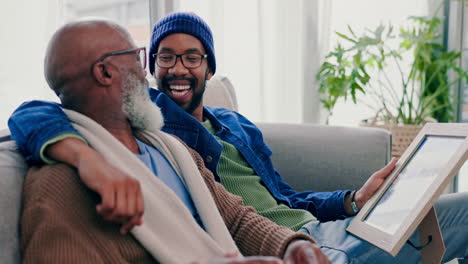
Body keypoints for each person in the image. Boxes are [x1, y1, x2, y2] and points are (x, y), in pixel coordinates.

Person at [9, 12, 468, 263]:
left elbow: (269, 204)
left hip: (306, 233)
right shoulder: (142, 128)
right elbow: (33, 111)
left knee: (455, 210)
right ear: (109, 72)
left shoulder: (196, 139)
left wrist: (349, 201)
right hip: (309, 246)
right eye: (154, 56)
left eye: (192, 58)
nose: (166, 68)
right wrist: (84, 158)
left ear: (210, 67)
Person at [18, 19, 329, 264]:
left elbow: (235, 220)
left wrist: (294, 246)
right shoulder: (60, 182)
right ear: (104, 72)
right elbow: (28, 113)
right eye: (138, 58)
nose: (145, 73)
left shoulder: (172, 150)